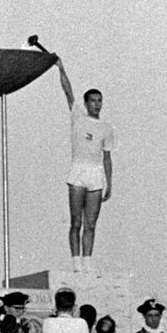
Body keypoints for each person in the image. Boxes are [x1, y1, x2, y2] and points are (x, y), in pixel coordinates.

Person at [56, 60, 116, 261]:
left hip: (95, 175)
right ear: (86, 103)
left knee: (91, 224)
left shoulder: (106, 128)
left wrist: (109, 183)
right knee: (76, 222)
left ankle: (87, 263)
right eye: (93, 101)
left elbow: (107, 157)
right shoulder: (78, 117)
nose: (96, 104)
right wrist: (61, 68)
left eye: (99, 101)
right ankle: (76, 263)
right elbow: (67, 91)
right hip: (78, 172)